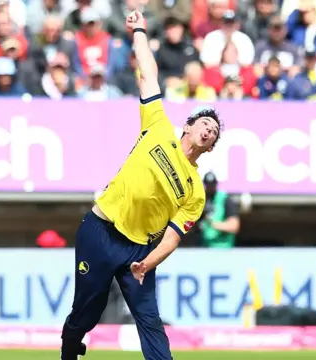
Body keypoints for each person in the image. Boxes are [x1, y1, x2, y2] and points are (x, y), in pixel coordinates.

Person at [60, 10, 222, 360]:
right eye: (205, 123)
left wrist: (148, 263)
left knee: (150, 322)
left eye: (214, 133)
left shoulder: (195, 190)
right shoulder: (159, 126)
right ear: (188, 126)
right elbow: (148, 73)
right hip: (100, 230)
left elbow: (174, 236)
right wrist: (140, 31)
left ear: (210, 146)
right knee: (88, 310)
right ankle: (70, 344)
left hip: (139, 251)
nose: (209, 130)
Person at [198, 171, 241, 248]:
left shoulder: (225, 200)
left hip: (223, 247)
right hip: (205, 247)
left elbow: (234, 226)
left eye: (212, 185)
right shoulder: (202, 199)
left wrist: (212, 224)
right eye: (207, 185)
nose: (210, 187)